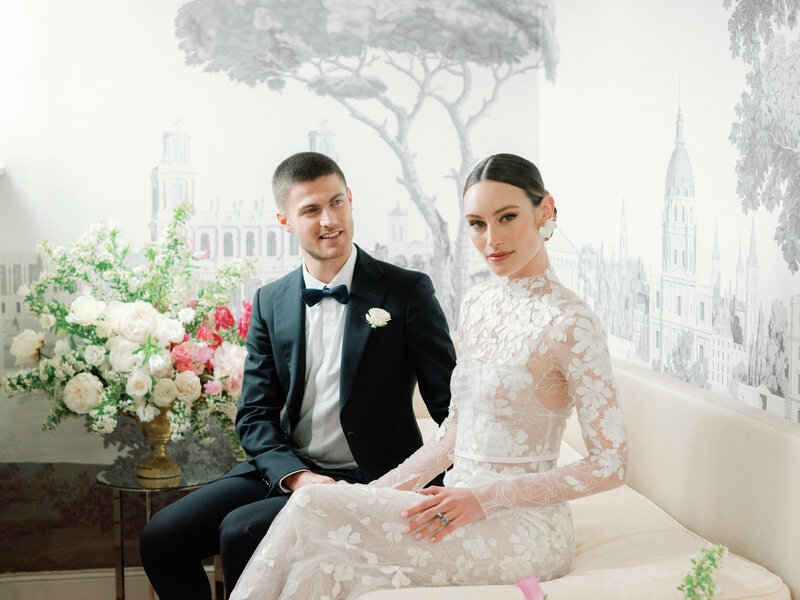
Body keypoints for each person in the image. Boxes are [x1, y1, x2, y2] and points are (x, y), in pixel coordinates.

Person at [230, 153, 630, 599]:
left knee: (319, 537)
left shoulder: (572, 321)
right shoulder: (478, 304)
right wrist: (370, 499)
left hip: (523, 526)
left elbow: (611, 465)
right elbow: (453, 435)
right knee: (314, 521)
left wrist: (485, 498)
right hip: (453, 500)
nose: (492, 239)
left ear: (545, 211)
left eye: (507, 217)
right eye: (477, 224)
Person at [139, 152, 457, 600]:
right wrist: (295, 477)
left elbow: (450, 407)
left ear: (350, 200)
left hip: (374, 476)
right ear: (285, 220)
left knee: (240, 531)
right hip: (291, 468)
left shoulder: (406, 290)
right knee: (162, 539)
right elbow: (254, 415)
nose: (330, 220)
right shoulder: (272, 299)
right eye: (310, 210)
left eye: (337, 202)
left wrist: (454, 489)